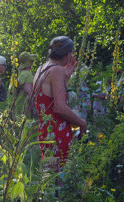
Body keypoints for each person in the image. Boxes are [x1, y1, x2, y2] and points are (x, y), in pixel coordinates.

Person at [32, 36, 87, 164]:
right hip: (57, 131)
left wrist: (66, 76)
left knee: (49, 173)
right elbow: (60, 107)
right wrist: (81, 122)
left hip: (46, 129)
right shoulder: (57, 70)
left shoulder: (42, 68)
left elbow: (49, 96)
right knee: (59, 174)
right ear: (68, 54)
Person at [15, 52, 37, 117]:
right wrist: (34, 108)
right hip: (26, 108)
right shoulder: (27, 74)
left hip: (19, 105)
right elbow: (29, 92)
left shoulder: (21, 73)